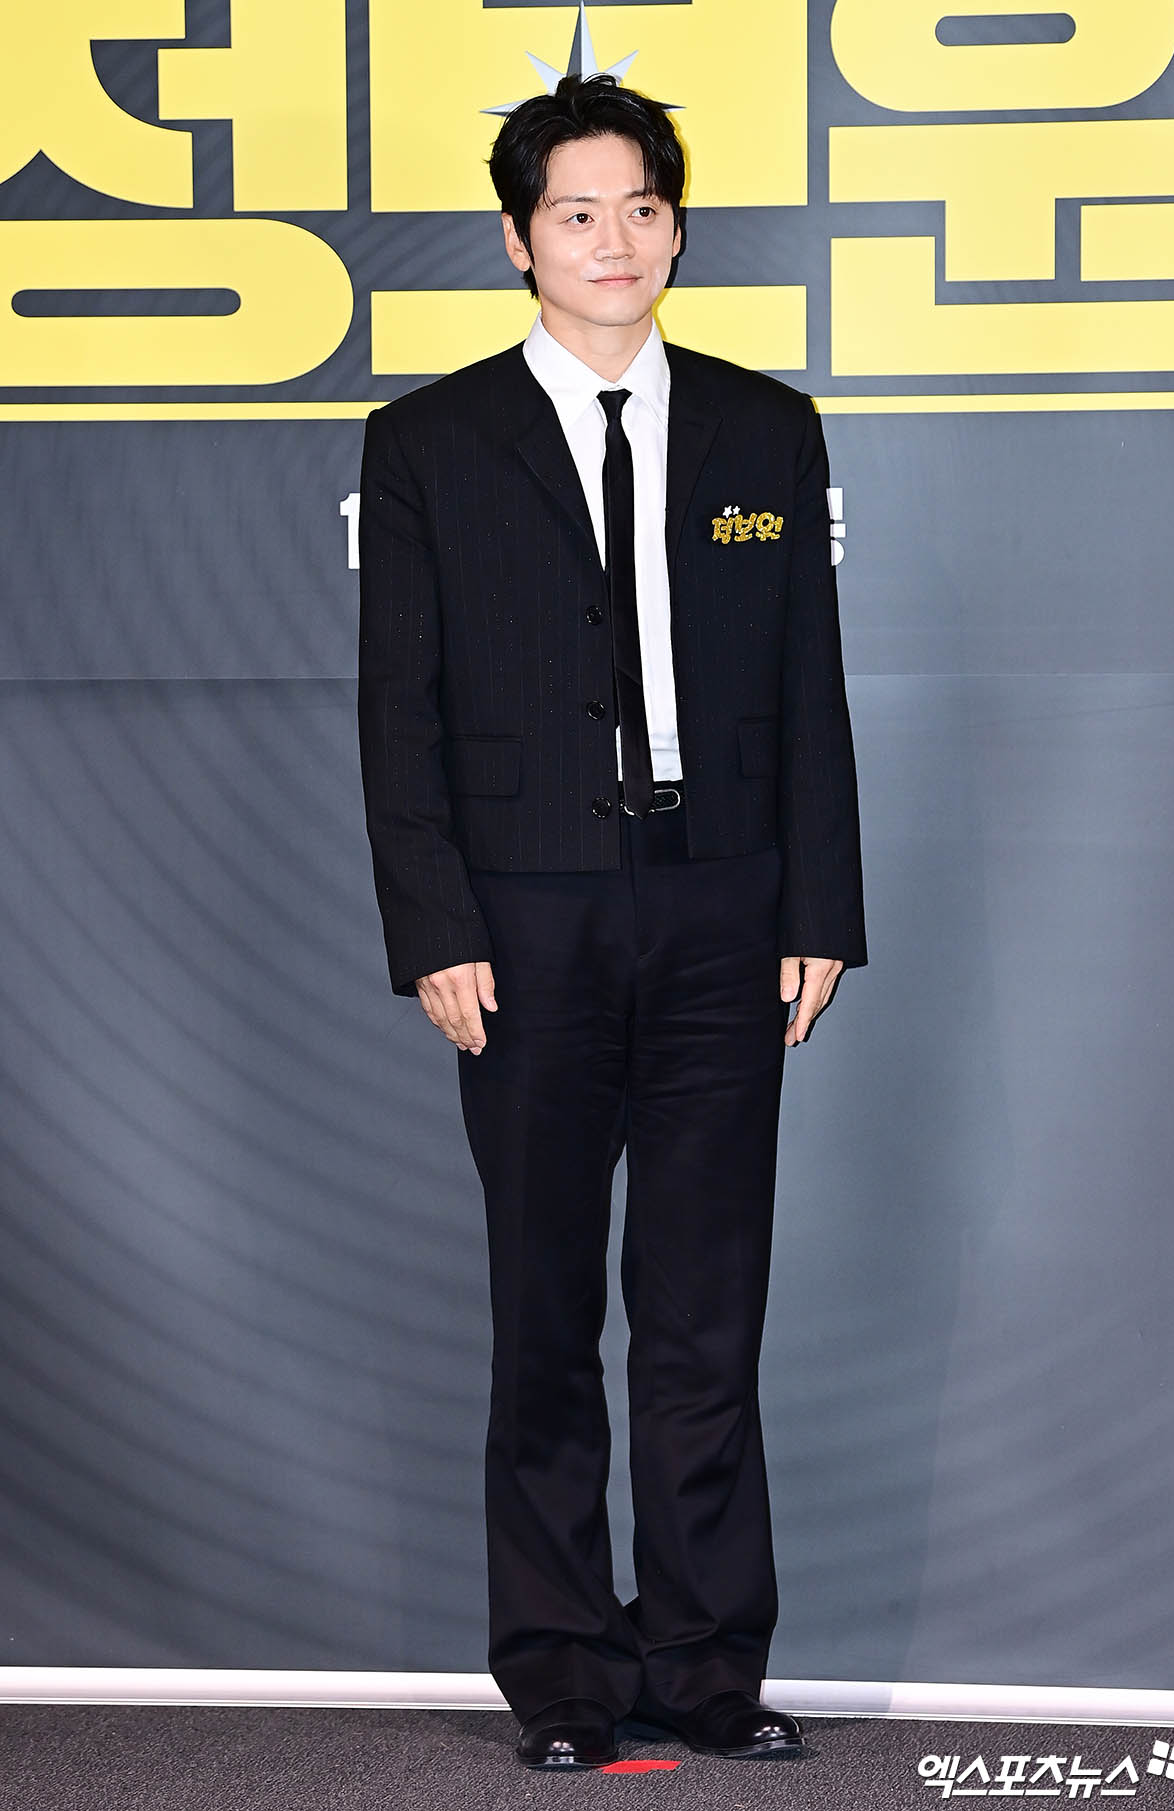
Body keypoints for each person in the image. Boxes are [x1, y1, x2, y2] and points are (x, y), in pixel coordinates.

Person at [357, 71, 867, 1771]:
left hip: (726, 913)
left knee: (709, 1321)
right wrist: (435, 925)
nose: (615, 239)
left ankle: (709, 1668)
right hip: (523, 925)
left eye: (642, 208)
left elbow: (810, 687)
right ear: (520, 240)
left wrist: (818, 906)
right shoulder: (428, 445)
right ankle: (566, 1675)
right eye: (577, 213)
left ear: (675, 227)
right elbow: (398, 715)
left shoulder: (763, 430)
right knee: (546, 1317)